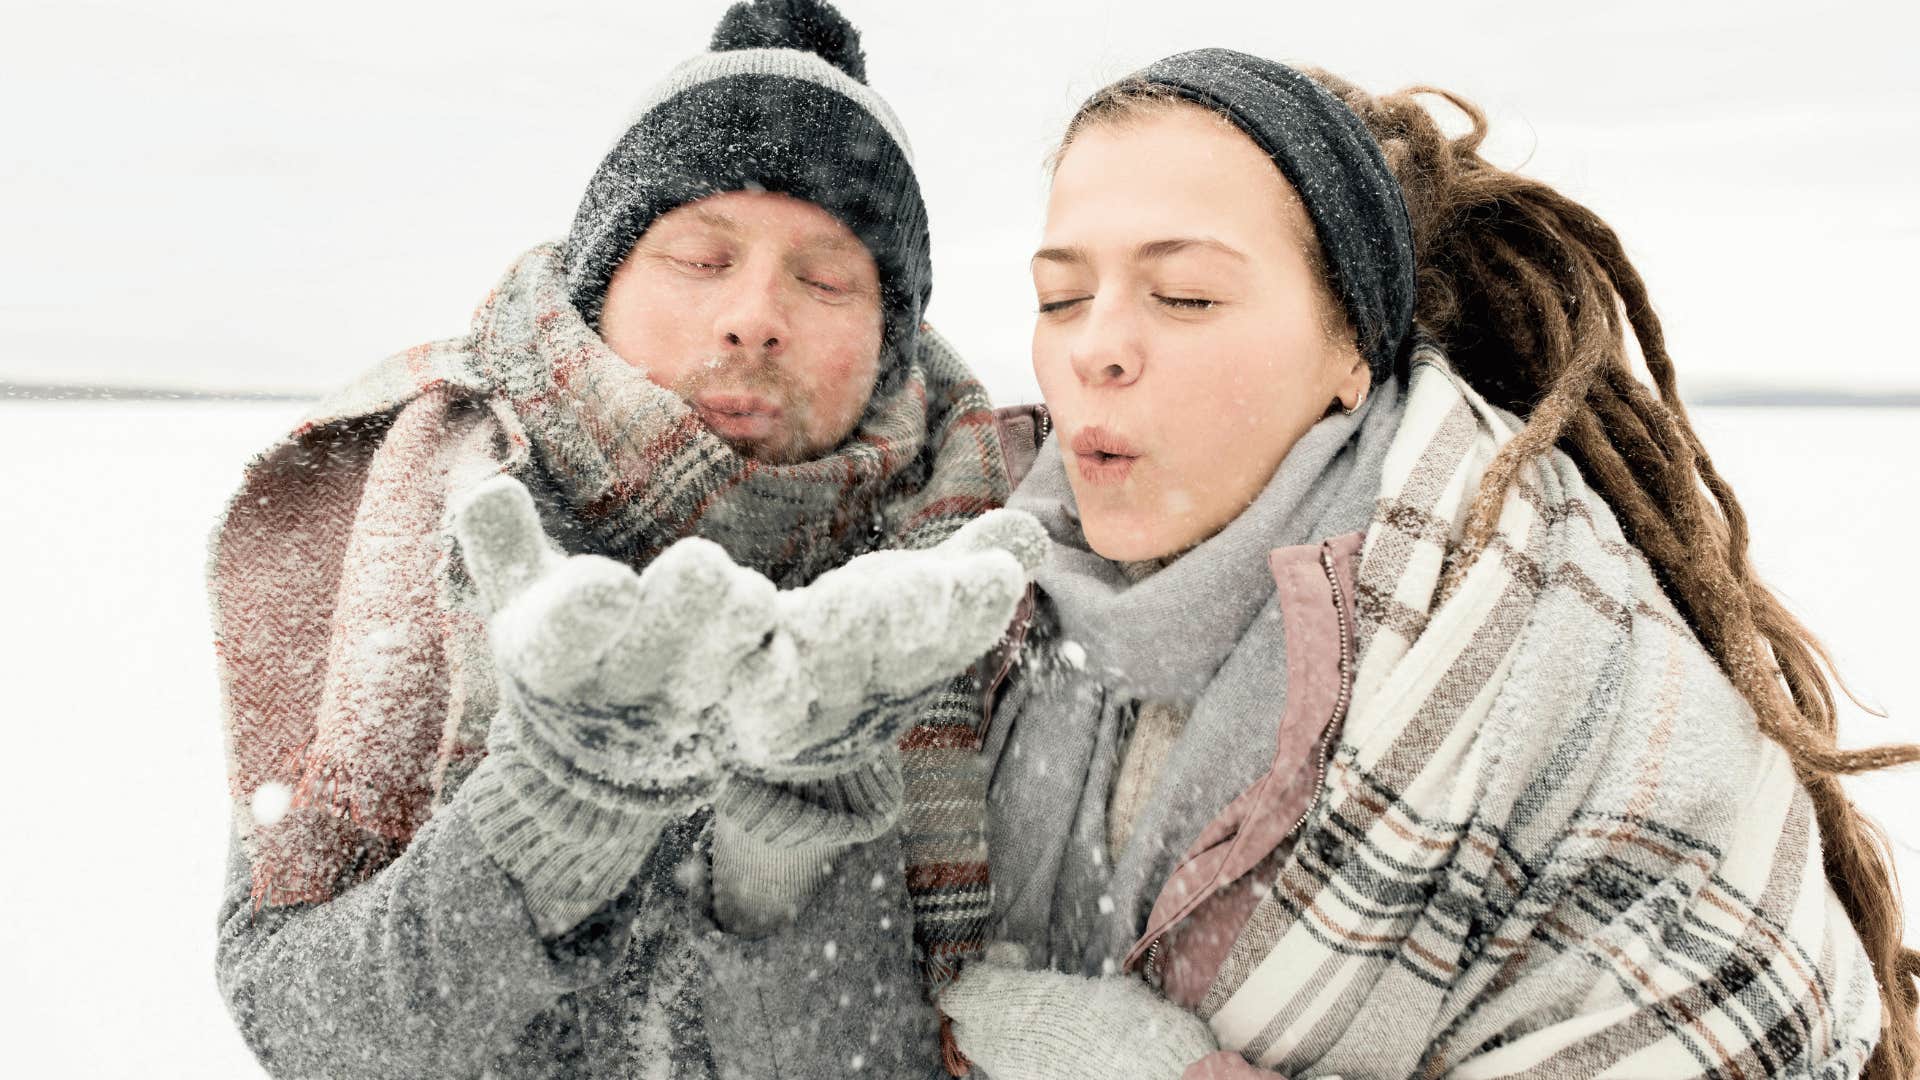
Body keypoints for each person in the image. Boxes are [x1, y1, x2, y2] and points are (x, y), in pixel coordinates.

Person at [938, 50, 1918, 1078]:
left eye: (1183, 297)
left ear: (1350, 350)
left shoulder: (1538, 644)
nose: (1096, 347)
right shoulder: (971, 590)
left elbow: (1748, 1030)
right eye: (1058, 299)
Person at [208, 2, 1046, 1076]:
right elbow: (302, 1023)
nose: (754, 315)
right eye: (700, 258)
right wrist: (554, 810)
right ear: (602, 286)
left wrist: (786, 843)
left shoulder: (973, 561)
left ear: (892, 342)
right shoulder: (425, 510)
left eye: (828, 277)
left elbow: (902, 1052)